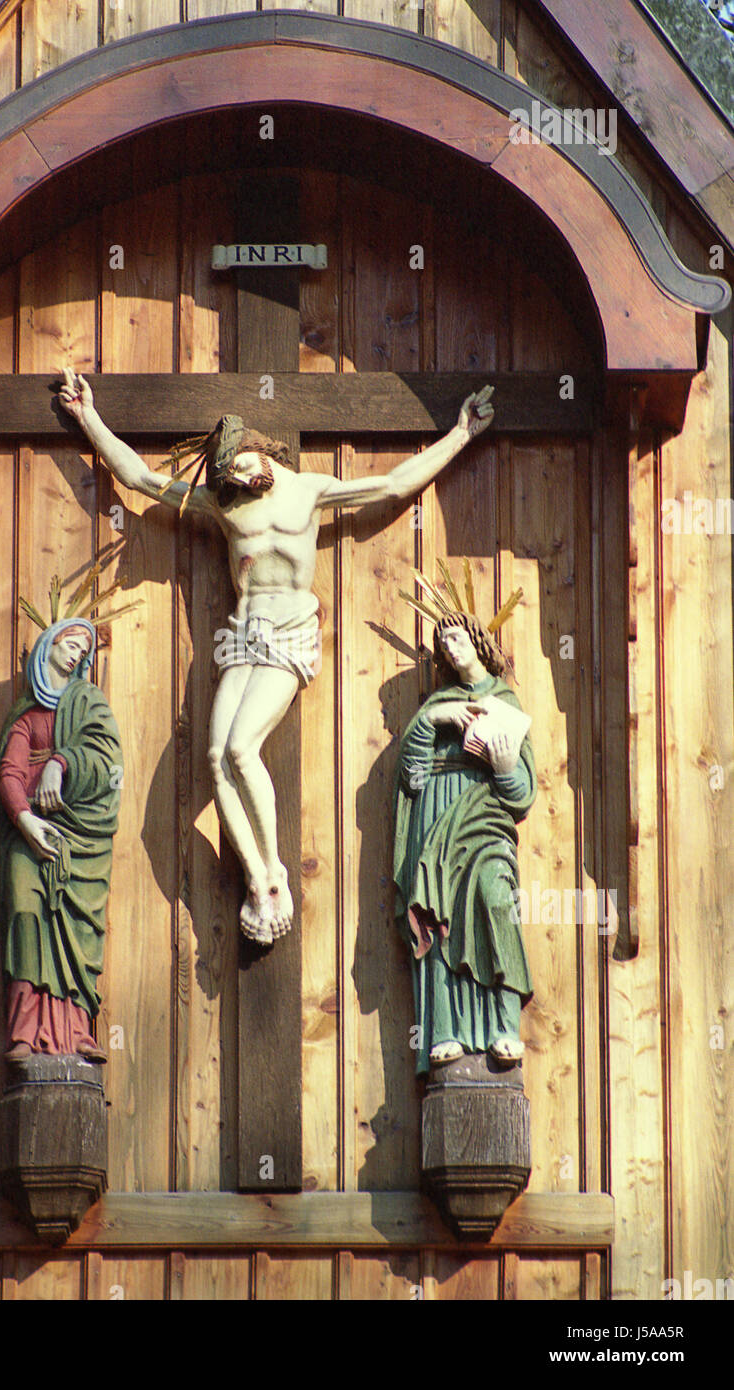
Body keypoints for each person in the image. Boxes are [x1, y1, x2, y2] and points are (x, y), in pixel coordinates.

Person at [57, 367, 494, 945]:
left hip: (288, 634)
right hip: (242, 635)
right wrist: (88, 416)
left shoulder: (309, 489)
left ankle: (277, 870)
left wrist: (461, 433)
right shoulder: (222, 502)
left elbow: (391, 485)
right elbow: (138, 477)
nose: (238, 479)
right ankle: (259, 879)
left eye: (241, 467)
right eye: (228, 475)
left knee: (242, 747)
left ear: (258, 449)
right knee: (216, 758)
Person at [393, 607, 535, 1073]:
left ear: (477, 640)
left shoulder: (506, 703)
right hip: (436, 819)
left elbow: (523, 794)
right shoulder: (439, 704)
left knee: (497, 901)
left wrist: (504, 767)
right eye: (443, 642)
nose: (450, 648)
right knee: (438, 918)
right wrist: (435, 717)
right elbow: (411, 777)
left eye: (456, 637)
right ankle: (445, 1030)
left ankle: (503, 1024)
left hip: (486, 816)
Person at [0, 617, 123, 1062]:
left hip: (79, 839)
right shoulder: (26, 716)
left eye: (83, 651)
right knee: (27, 916)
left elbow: (106, 759)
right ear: (48, 643)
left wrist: (61, 762)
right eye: (71, 643)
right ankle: (25, 1031)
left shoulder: (88, 704)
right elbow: (10, 774)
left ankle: (76, 1028)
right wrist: (25, 820)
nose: (76, 654)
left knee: (78, 927)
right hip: (29, 836)